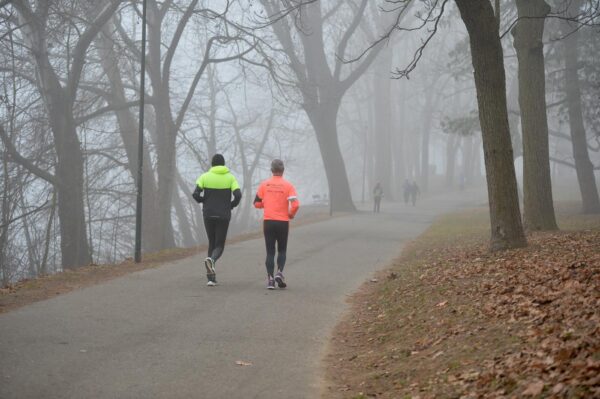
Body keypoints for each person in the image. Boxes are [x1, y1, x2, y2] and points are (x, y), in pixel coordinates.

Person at [192, 154, 241, 286]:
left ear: (212, 164)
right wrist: (231, 205)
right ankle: (212, 260)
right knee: (219, 245)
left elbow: (195, 194)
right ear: (223, 164)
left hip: (208, 214)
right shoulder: (230, 178)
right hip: (223, 215)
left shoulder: (204, 176)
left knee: (211, 243)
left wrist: (204, 201)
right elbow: (238, 195)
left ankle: (210, 279)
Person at [254, 159, 300, 289]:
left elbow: (256, 203)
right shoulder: (288, 186)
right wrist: (290, 214)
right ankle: (279, 272)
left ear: (271, 170)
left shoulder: (264, 185)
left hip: (268, 221)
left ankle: (270, 280)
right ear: (283, 170)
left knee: (270, 252)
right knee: (282, 250)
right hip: (282, 222)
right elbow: (296, 204)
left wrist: (266, 203)